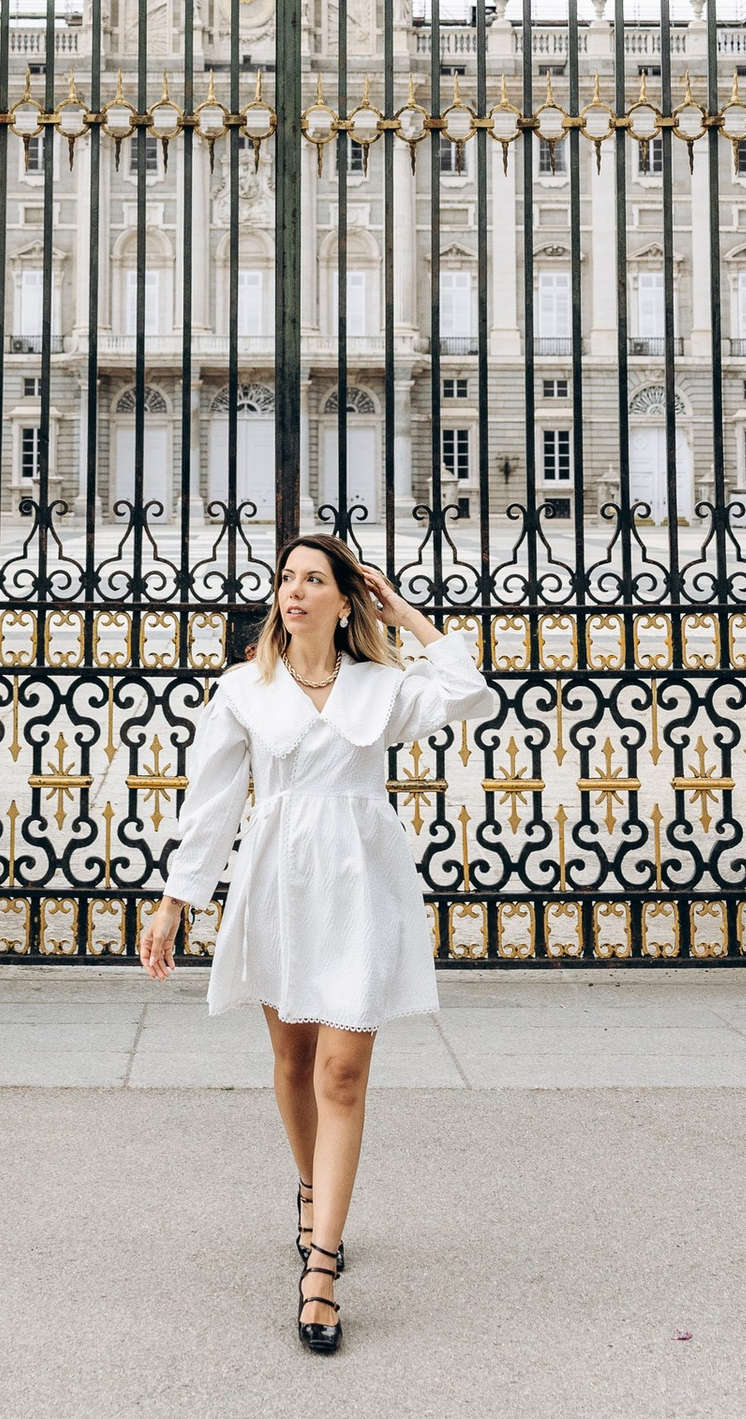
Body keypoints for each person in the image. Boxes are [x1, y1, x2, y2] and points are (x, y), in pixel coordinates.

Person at [138, 534, 495, 1353]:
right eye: (286, 578)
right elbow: (212, 804)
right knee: (295, 1061)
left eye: (314, 579)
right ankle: (311, 1189)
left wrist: (403, 612)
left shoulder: (383, 688)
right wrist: (175, 902)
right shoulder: (245, 689)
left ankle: (322, 1266)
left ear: (345, 600)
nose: (294, 590)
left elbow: (469, 690)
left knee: (342, 1070)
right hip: (279, 885)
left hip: (361, 886)